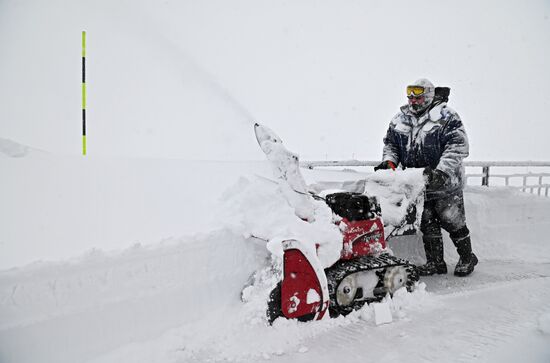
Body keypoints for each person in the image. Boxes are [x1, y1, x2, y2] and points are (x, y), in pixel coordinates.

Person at [374, 78, 478, 277]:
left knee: (452, 221)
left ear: (429, 95)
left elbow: (457, 146)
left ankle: (467, 258)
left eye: (418, 95)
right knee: (427, 222)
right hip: (417, 184)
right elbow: (391, 144)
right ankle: (435, 263)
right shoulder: (400, 119)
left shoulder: (446, 116)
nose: (413, 99)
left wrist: (441, 171)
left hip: (446, 183)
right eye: (410, 95)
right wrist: (389, 161)